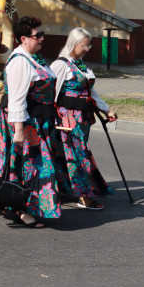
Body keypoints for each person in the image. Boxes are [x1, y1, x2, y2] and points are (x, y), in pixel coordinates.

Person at [0, 16, 60, 228]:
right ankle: (19, 209)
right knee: (24, 166)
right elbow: (17, 99)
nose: (41, 39)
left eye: (42, 34)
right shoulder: (20, 61)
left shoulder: (33, 58)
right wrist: (18, 130)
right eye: (37, 36)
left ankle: (26, 205)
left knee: (34, 167)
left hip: (40, 123)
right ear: (23, 39)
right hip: (26, 124)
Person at [49, 27, 115, 211]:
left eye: (89, 45)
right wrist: (52, 118)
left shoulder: (81, 65)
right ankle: (83, 195)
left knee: (71, 153)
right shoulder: (61, 65)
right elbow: (51, 93)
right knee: (78, 154)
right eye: (85, 45)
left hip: (83, 118)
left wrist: (106, 110)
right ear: (74, 43)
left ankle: (62, 189)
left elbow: (90, 92)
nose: (88, 49)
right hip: (67, 119)